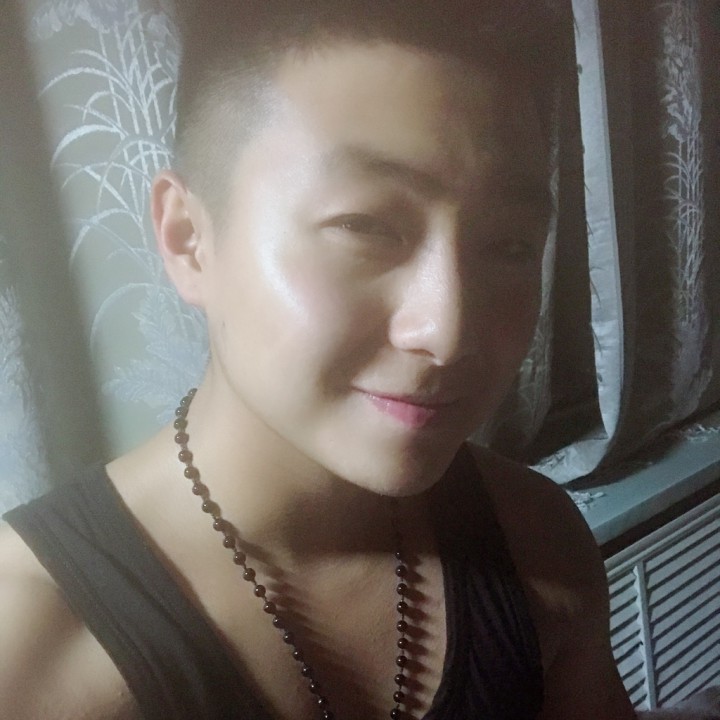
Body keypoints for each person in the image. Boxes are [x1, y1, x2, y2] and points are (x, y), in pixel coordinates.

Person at [0, 2, 638, 719]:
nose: (449, 332)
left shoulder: (537, 543)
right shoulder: (28, 649)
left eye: (510, 246)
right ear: (189, 240)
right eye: (365, 225)